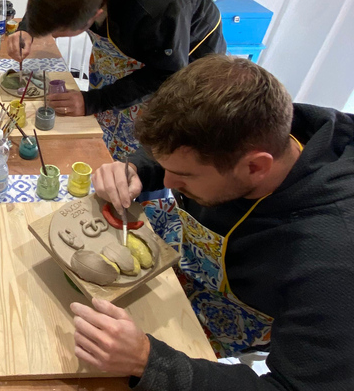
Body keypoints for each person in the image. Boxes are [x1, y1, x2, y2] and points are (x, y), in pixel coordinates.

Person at [76, 55, 354, 390]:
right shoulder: (254, 125)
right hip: (187, 261)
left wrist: (149, 361)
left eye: (183, 176)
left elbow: (290, 387)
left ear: (255, 167)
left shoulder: (332, 258)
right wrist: (134, 169)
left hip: (236, 312)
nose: (168, 182)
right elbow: (179, 151)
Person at [8, 0, 226, 157]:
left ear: (96, 16)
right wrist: (27, 29)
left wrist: (94, 101)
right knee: (100, 127)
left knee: (143, 143)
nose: (53, 38)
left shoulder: (157, 8)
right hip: (135, 35)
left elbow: (165, 73)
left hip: (180, 53)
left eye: (59, 34)